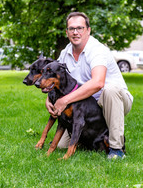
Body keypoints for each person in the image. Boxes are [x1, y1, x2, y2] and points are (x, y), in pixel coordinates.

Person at [45, 11, 133, 159]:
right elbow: (56, 80)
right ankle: (90, 140)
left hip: (113, 102)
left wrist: (64, 100)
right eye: (71, 29)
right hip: (86, 107)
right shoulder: (65, 53)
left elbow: (98, 83)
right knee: (61, 145)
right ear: (67, 32)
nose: (75, 32)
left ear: (88, 30)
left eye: (80, 28)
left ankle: (116, 149)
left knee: (109, 90)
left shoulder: (97, 50)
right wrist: (49, 100)